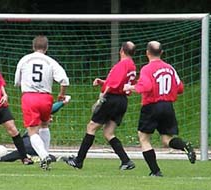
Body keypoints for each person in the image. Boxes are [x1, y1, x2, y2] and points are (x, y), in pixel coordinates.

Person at [123, 41, 196, 177]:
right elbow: (180, 88)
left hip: (151, 105)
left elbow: (146, 87)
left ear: (147, 53)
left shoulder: (147, 69)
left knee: (144, 138)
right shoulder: (170, 68)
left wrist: (131, 87)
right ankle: (184, 145)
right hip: (167, 106)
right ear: (161, 53)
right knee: (166, 139)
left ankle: (155, 171)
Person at [63, 41, 137, 170]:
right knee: (108, 132)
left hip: (112, 99)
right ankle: (126, 161)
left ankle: (78, 161)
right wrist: (103, 82)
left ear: (121, 51)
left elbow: (113, 85)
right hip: (122, 100)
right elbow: (119, 83)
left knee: (91, 127)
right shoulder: (132, 66)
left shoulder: (122, 64)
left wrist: (101, 98)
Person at [14, 35, 70, 170]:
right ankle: (45, 154)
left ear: (33, 47)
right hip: (46, 98)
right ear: (46, 48)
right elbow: (64, 80)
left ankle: (44, 156)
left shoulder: (24, 60)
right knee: (44, 126)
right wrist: (61, 94)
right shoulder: (50, 61)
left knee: (32, 131)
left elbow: (16, 82)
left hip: (29, 97)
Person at [0, 97, 71, 162]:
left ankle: (35, 157)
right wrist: (62, 102)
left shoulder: (42, 115)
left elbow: (51, 109)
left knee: (50, 157)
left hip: (35, 145)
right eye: (50, 117)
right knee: (24, 151)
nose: (51, 120)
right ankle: (3, 159)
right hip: (28, 142)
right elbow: (51, 109)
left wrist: (62, 103)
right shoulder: (39, 116)